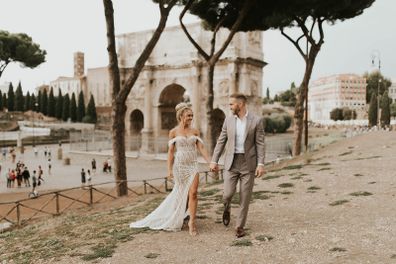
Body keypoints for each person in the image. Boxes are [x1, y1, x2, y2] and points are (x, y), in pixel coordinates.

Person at [130, 102, 210, 236]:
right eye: (188, 115)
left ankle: (192, 222)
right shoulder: (173, 132)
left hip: (193, 165)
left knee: (194, 193)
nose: (191, 118)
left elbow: (201, 148)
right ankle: (178, 215)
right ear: (181, 116)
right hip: (180, 166)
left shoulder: (195, 131)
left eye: (192, 115)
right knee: (181, 194)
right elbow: (171, 152)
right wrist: (169, 170)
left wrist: (210, 162)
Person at [210, 93, 265, 238]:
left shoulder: (256, 121)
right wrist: (214, 160)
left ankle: (239, 226)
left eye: (231, 104)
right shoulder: (228, 121)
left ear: (240, 105)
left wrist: (260, 164)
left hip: (249, 163)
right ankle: (226, 207)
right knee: (227, 194)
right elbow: (221, 141)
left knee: (245, 196)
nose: (229, 107)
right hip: (231, 163)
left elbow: (260, 143)